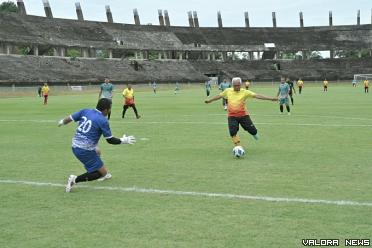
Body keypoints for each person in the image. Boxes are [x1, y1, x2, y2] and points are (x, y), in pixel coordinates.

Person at [58, 98, 136, 192]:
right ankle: (74, 179)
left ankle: (105, 173)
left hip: (75, 144)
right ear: (106, 110)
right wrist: (123, 140)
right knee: (99, 174)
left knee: (98, 150)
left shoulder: (85, 111)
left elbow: (69, 118)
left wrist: (62, 122)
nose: (110, 110)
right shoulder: (103, 120)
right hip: (84, 150)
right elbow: (110, 140)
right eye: (110, 108)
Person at [205, 77, 277, 148]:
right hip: (232, 116)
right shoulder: (228, 91)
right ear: (232, 85)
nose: (237, 87)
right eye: (235, 85)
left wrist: (271, 99)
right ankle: (238, 147)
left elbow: (257, 96)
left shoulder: (245, 92)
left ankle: (254, 134)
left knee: (253, 131)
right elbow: (219, 96)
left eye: (238, 85)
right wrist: (210, 100)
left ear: (241, 84)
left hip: (243, 116)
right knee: (233, 132)